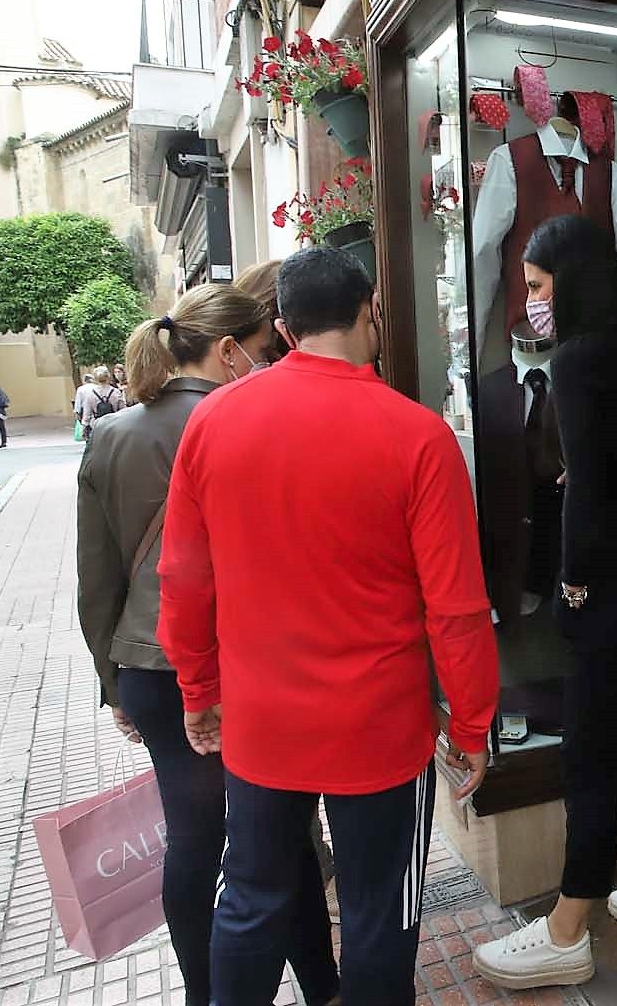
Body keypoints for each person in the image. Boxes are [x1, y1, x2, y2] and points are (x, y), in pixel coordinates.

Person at [158, 246, 498, 1006]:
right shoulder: (417, 435)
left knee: (250, 901)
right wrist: (472, 724)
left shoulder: (214, 421)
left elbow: (182, 578)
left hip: (262, 723)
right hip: (378, 729)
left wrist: (198, 687)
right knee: (382, 917)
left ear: (282, 326)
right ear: (371, 310)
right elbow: (457, 608)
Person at [76, 284, 339, 1006]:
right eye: (263, 351)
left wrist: (113, 683)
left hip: (150, 666)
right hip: (249, 661)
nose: (270, 364)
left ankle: (204, 995)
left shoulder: (111, 434)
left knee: (192, 841)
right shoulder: (258, 421)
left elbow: (96, 580)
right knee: (284, 838)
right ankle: (323, 987)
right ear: (229, 351)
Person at [474, 216, 617, 990]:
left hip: (611, 579)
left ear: (568, 279)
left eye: (537, 285)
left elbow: (591, 489)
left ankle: (569, 926)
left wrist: (571, 579)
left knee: (590, 752)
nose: (531, 300)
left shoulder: (576, 360)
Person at [232, 259, 338, 908]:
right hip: (316, 654)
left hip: (259, 668)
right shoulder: (253, 411)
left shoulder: (220, 416)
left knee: (264, 867)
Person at [80, 366, 125, 440]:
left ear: (95, 378)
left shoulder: (90, 394)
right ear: (108, 376)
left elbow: (87, 414)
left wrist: (84, 428)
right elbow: (123, 411)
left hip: (97, 427)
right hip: (114, 426)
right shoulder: (116, 392)